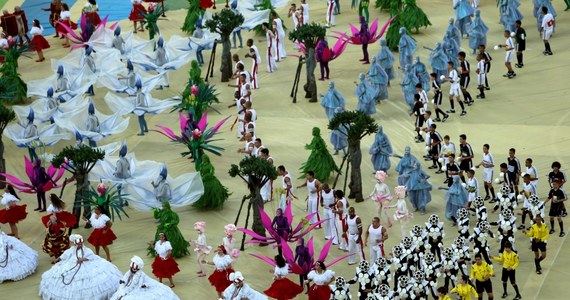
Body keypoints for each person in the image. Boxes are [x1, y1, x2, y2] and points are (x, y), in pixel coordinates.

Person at [39, 234, 122, 299]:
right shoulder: (72, 250)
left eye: (81, 243)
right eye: (78, 244)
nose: (80, 245)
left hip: (86, 265)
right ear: (75, 244)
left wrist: (83, 259)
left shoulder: (86, 250)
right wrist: (57, 259)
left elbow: (91, 257)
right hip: (71, 264)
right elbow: (64, 255)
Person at [110, 255, 180, 300]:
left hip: (136, 288)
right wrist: (123, 281)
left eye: (135, 269)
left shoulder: (141, 274)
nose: (134, 270)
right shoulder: (129, 272)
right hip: (127, 286)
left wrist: (145, 284)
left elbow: (148, 280)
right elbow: (125, 277)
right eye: (133, 269)